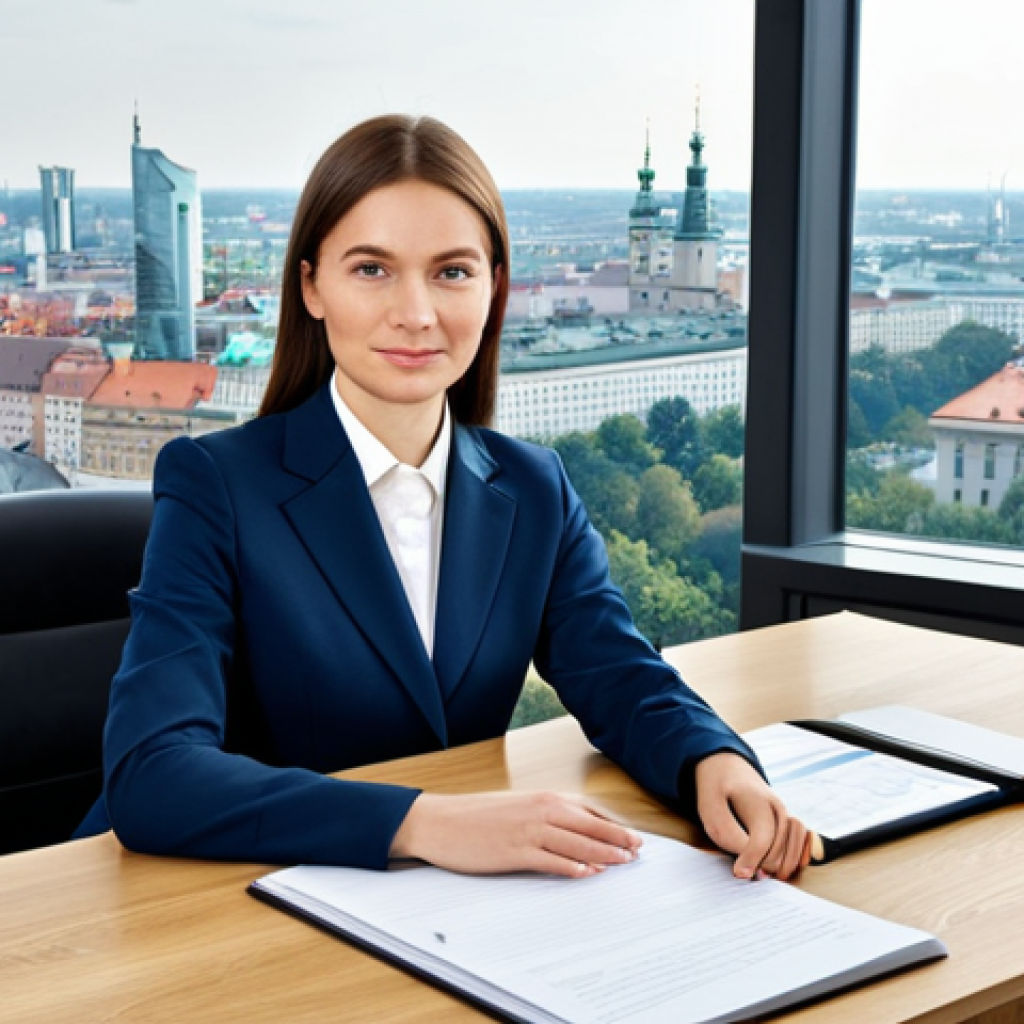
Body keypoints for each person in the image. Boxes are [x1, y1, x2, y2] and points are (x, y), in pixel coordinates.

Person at [77, 114, 810, 881]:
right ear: (311, 286)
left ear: (496, 289)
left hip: (439, 908)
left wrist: (712, 759)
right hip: (224, 895)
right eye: (372, 269)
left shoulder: (534, 487)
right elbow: (153, 772)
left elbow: (619, 674)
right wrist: (422, 822)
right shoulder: (215, 484)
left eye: (452, 272)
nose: (416, 313)